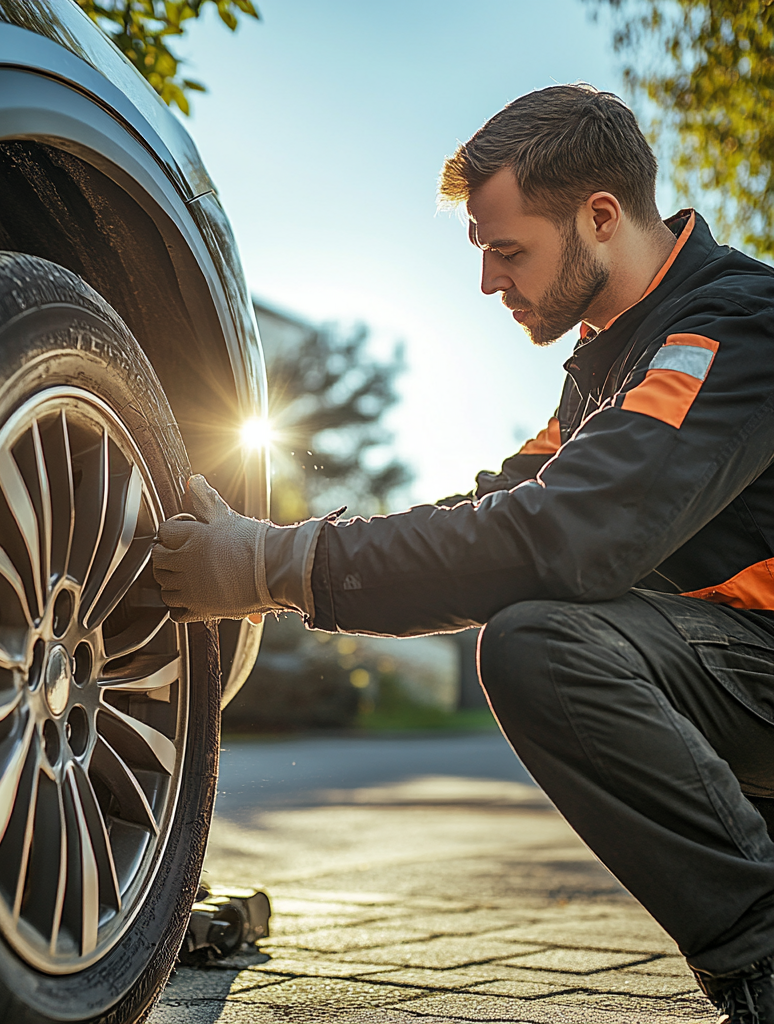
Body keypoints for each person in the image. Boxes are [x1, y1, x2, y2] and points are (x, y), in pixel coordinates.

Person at [151, 84, 774, 1022]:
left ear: (600, 218)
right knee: (537, 622)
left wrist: (265, 566)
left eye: (506, 248)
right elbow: (487, 516)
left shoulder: (731, 327)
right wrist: (275, 554)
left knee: (542, 647)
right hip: (745, 677)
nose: (488, 281)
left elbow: (562, 536)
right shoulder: (607, 374)